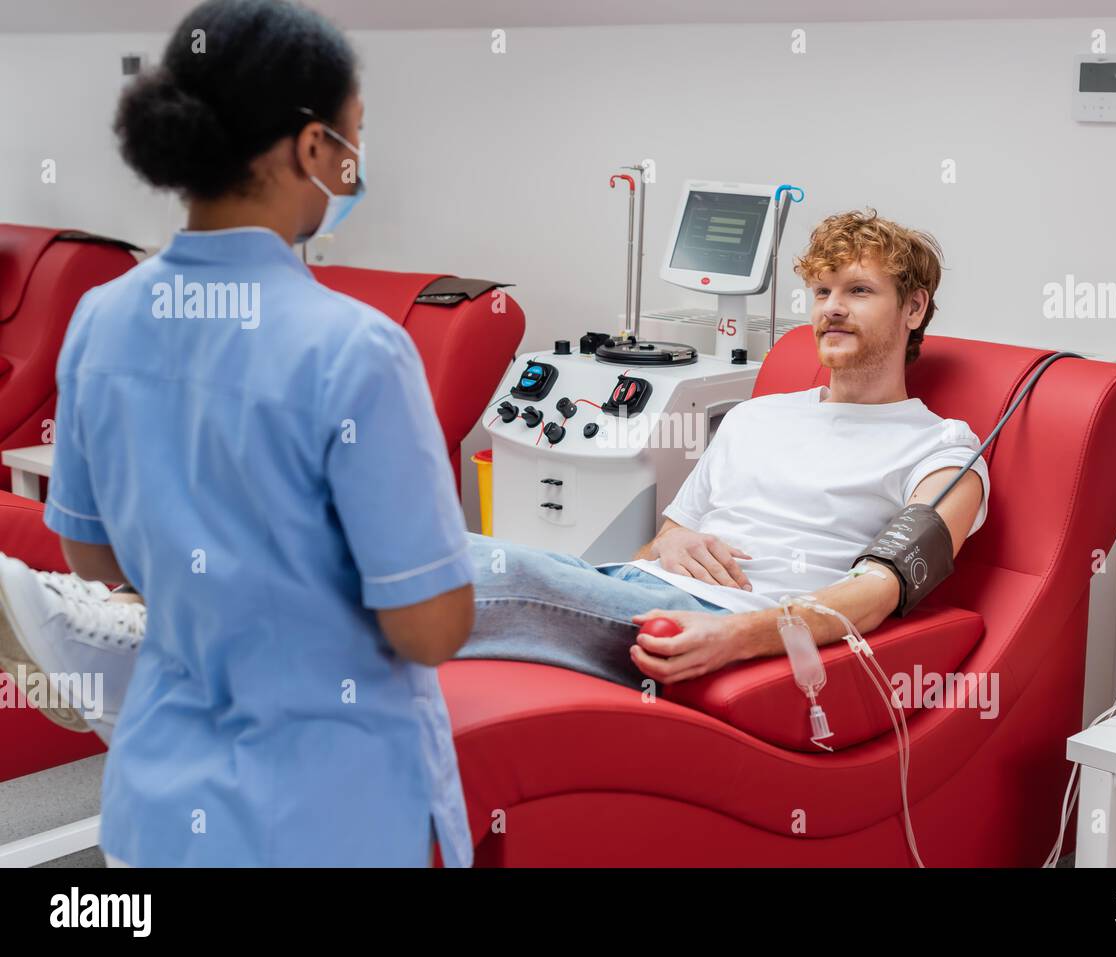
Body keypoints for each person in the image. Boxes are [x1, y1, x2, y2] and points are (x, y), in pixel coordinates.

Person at [4, 208, 988, 747]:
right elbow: (653, 549)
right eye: (819, 290)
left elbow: (884, 586)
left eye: (857, 290)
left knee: (455, 564)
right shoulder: (760, 416)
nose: (829, 309)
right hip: (645, 596)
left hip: (731, 639)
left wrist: (736, 633)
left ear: (915, 308)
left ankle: (137, 647)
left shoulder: (942, 447)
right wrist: (675, 541)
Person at [1, 0, 477, 867]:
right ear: (309, 148)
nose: (354, 163)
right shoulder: (358, 349)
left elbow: (93, 558)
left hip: (158, 794)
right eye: (352, 137)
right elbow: (430, 627)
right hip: (323, 810)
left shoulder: (100, 321)